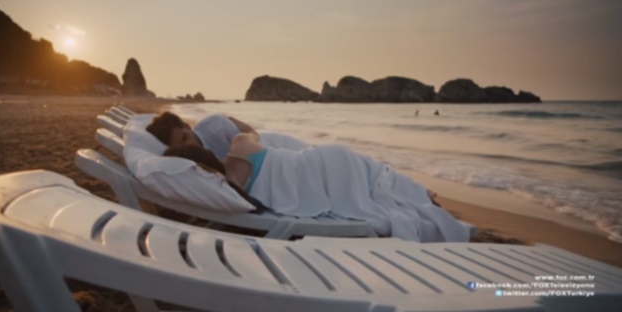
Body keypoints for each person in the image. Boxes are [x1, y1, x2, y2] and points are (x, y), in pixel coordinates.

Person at [163, 130, 469, 243]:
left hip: (321, 175)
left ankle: (420, 198)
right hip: (324, 159)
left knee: (374, 196)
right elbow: (255, 133)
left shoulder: (227, 190)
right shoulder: (239, 145)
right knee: (376, 179)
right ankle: (423, 195)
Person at [146, 111, 308, 160]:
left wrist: (241, 145)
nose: (189, 148)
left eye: (184, 138)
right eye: (180, 147)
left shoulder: (214, 126)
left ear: (188, 127)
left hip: (273, 146)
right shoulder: (186, 159)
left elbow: (252, 133)